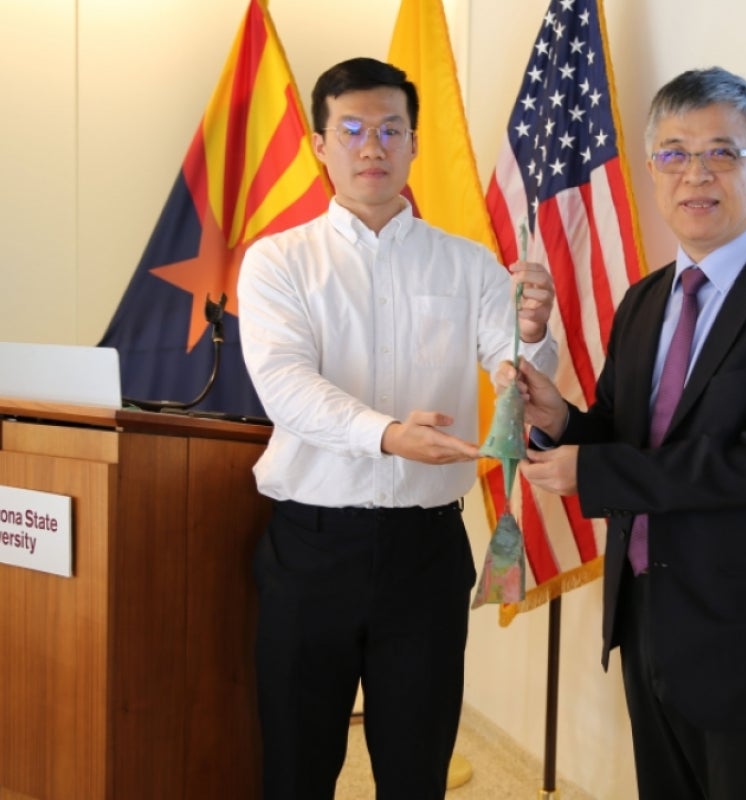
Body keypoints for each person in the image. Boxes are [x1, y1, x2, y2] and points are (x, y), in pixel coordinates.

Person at [515, 67, 746, 799]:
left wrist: (597, 474)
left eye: (721, 153)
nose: (695, 174)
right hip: (646, 620)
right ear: (652, 169)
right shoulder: (643, 300)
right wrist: (560, 421)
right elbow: (620, 429)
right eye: (673, 153)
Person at [237, 57, 557, 800]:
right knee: (295, 765)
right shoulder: (278, 262)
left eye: (389, 129)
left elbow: (515, 371)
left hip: (425, 550)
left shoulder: (470, 264)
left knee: (416, 771)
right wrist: (386, 434)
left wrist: (531, 333)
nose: (371, 146)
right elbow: (285, 386)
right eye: (350, 129)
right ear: (321, 145)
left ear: (415, 143)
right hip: (310, 547)